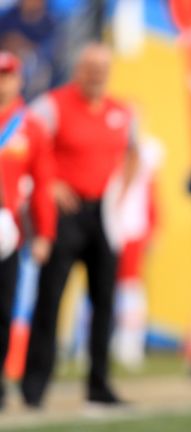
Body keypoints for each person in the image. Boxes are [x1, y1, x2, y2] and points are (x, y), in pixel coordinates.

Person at [20, 42, 138, 408]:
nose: (97, 73)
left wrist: (121, 192)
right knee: (51, 297)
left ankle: (98, 384)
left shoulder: (122, 111)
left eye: (103, 67)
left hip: (102, 212)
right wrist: (50, 183)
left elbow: (135, 152)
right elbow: (24, 143)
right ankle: (35, 386)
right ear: (79, 69)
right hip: (65, 213)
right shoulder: (53, 105)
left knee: (104, 300)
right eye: (90, 66)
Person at [0, 49, 55, 410]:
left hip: (7, 232)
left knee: (3, 310)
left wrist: (45, 234)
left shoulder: (29, 125)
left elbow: (43, 184)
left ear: (18, 79)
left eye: (7, 75)